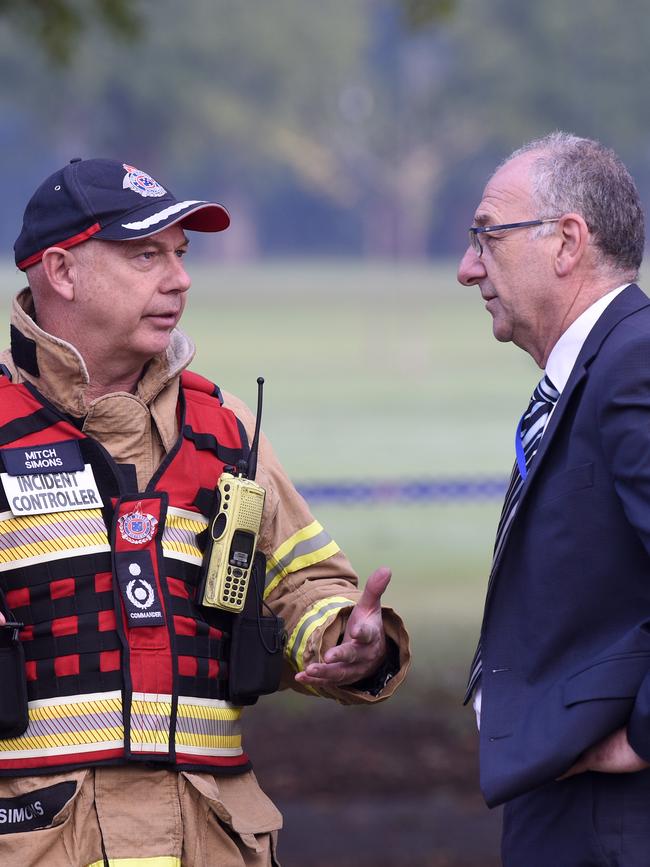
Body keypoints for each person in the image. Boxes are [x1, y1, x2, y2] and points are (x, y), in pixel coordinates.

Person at [0, 158, 410, 866]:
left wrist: (348, 635)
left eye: (181, 255)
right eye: (145, 255)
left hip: (211, 839)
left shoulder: (227, 430)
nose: (179, 279)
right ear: (62, 272)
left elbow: (305, 586)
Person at [458, 132, 650, 866]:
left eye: (487, 237)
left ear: (567, 242)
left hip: (615, 817)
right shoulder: (601, 367)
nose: (467, 267)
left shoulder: (632, 365)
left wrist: (639, 738)